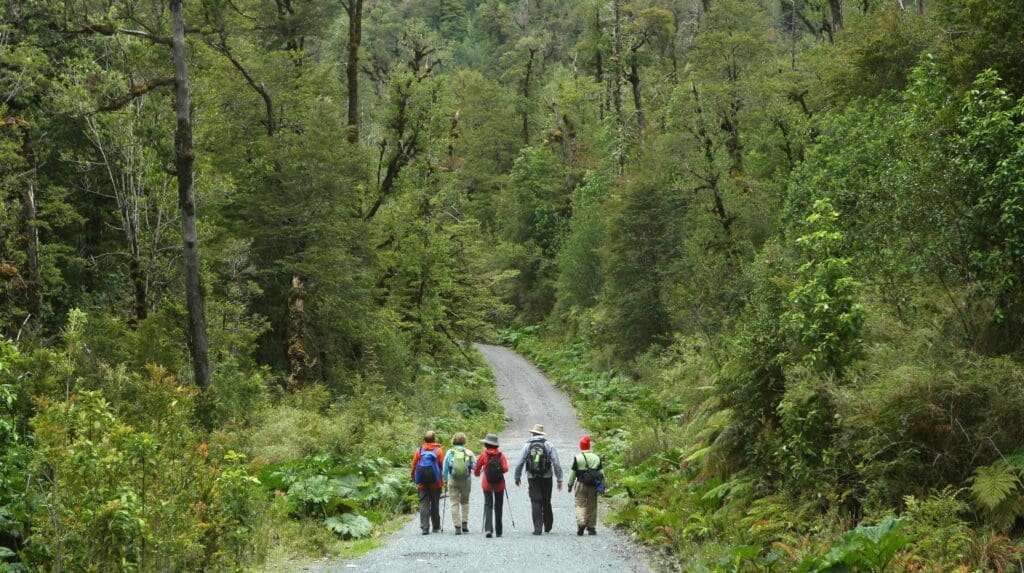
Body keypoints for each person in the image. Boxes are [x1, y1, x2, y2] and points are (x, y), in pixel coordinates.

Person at [514, 423, 563, 535]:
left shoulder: (527, 445)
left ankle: (537, 528)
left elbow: (520, 462)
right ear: (542, 433)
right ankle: (548, 525)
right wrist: (559, 479)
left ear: (533, 433)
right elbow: (556, 463)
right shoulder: (548, 445)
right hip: (547, 476)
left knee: (535, 500)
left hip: (532, 477)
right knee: (547, 500)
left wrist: (517, 477)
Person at [473, 432, 509, 538]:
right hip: (499, 484)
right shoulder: (501, 455)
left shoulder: (484, 455)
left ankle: (488, 529)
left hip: (487, 484)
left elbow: (477, 469)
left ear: (486, 444)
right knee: (498, 506)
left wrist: (477, 474)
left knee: (488, 505)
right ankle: (499, 531)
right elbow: (506, 469)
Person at [567, 434, 603, 536]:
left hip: (580, 483)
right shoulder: (596, 458)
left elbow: (572, 473)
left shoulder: (577, 458)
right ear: (589, 446)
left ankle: (581, 522)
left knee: (580, 504)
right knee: (592, 505)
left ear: (581, 446)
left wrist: (570, 485)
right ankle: (591, 527)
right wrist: (602, 486)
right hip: (593, 485)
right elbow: (601, 473)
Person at [410, 430, 445, 534]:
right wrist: (443, 478)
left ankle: (425, 528)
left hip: (422, 483)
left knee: (424, 504)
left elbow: (414, 465)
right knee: (435, 504)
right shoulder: (438, 451)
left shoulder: (419, 450)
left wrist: (413, 477)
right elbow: (441, 465)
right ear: (434, 439)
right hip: (436, 483)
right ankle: (436, 527)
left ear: (424, 439)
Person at [442, 432, 475, 535]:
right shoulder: (468, 452)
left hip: (453, 479)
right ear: (464, 441)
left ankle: (457, 526)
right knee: (465, 502)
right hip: (466, 480)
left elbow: (445, 469)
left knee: (454, 502)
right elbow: (475, 466)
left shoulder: (449, 453)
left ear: (453, 440)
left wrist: (446, 479)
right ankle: (465, 523)